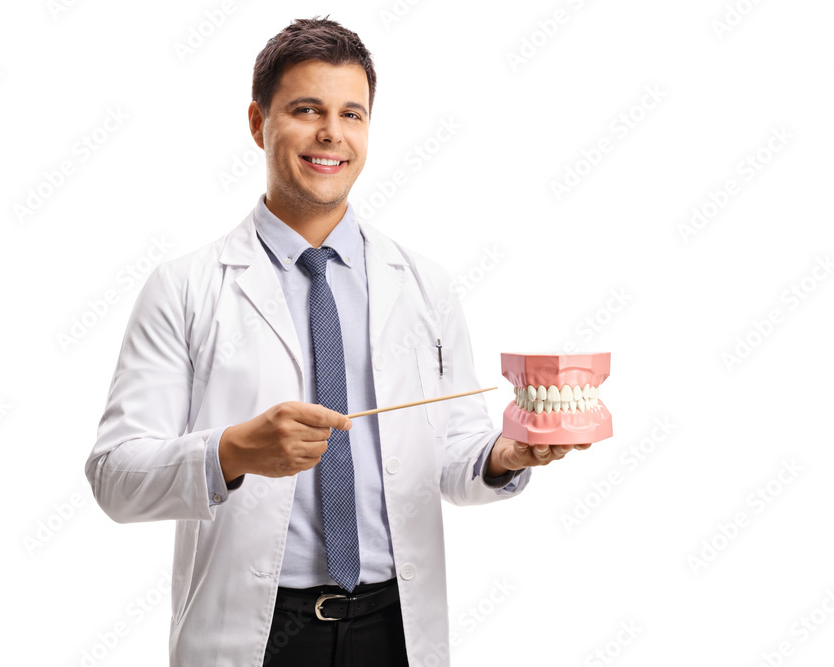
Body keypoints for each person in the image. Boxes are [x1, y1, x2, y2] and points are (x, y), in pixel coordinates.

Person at [84, 16, 589, 667]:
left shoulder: (425, 284)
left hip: (394, 626)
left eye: (352, 113)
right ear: (257, 123)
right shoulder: (183, 286)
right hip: (259, 633)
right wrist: (234, 449)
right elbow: (114, 476)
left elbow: (451, 455)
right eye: (306, 109)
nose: (332, 133)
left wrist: (505, 455)